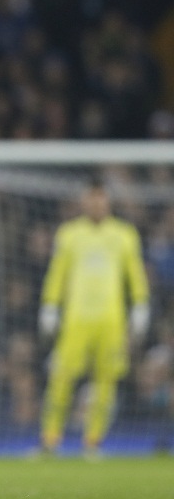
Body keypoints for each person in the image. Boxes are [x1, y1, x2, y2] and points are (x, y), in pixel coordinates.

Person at [38, 182, 150, 455]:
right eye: (92, 200)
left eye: (101, 200)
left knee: (106, 382)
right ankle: (50, 440)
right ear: (84, 203)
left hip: (112, 321)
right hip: (75, 320)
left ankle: (93, 441)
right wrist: (50, 305)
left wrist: (140, 304)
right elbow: (58, 272)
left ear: (107, 202)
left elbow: (134, 272)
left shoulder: (124, 234)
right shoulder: (69, 234)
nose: (96, 205)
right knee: (61, 377)